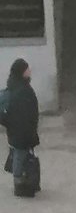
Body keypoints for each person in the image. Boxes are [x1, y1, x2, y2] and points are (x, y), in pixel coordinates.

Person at [0, 60, 40, 197]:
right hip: (21, 129)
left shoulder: (16, 86)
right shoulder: (21, 90)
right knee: (20, 154)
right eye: (27, 69)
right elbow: (23, 111)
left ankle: (23, 182)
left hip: (19, 129)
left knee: (21, 154)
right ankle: (20, 183)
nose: (29, 71)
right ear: (21, 71)